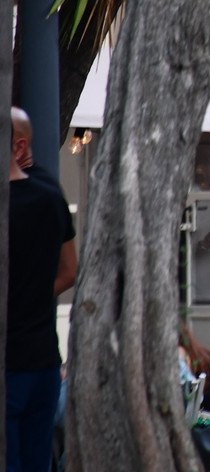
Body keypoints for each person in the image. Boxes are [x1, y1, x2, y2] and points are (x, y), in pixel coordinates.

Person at [8, 109, 77, 472]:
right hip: (43, 359)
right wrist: (33, 296)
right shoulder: (50, 194)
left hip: (9, 363)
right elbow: (70, 270)